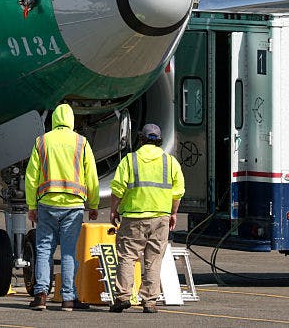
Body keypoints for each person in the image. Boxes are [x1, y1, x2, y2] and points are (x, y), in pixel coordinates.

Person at [24, 103, 99, 311]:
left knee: (44, 249)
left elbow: (31, 177)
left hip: (47, 204)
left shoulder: (42, 141)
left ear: (54, 119)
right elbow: (91, 176)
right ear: (72, 120)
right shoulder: (81, 143)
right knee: (68, 253)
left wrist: (32, 205)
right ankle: (68, 299)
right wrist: (93, 204)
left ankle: (40, 295)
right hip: (74, 205)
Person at [108, 123, 185, 314]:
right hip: (160, 217)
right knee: (153, 260)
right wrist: (173, 213)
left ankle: (123, 297)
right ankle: (149, 301)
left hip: (134, 217)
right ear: (159, 140)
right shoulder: (170, 162)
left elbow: (118, 188)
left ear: (141, 138)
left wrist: (113, 210)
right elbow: (178, 192)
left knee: (127, 257)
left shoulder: (130, 160)